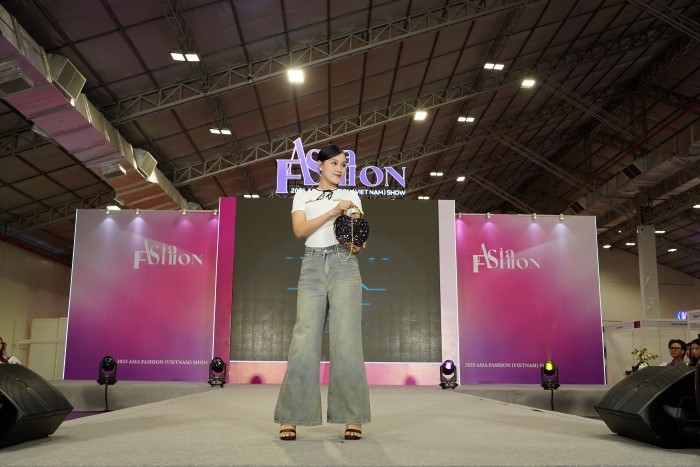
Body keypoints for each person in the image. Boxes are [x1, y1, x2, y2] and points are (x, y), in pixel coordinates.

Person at [274, 144, 371, 441]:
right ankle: (292, 415)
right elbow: (300, 230)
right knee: (303, 339)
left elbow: (359, 239)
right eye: (334, 164)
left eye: (343, 165)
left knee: (347, 339)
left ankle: (352, 416)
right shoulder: (303, 195)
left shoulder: (351, 195)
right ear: (320, 165)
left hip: (344, 264)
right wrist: (333, 211)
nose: (340, 169)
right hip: (313, 265)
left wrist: (355, 241)